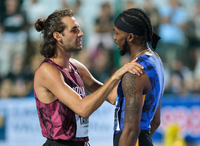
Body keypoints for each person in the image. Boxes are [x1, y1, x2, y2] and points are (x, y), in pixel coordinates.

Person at [33, 8, 143, 146]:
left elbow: (112, 97)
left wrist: (143, 80)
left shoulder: (75, 66)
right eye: (74, 30)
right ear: (57, 36)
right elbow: (83, 109)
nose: (81, 33)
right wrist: (115, 76)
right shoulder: (47, 71)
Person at [110, 8, 165, 146]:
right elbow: (156, 121)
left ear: (130, 37)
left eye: (117, 33)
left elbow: (131, 130)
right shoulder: (156, 60)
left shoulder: (134, 73)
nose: (114, 37)